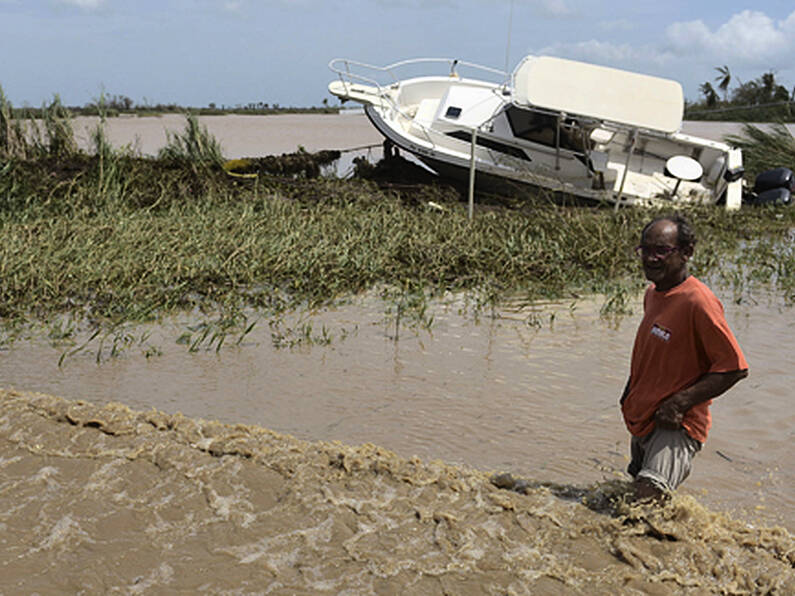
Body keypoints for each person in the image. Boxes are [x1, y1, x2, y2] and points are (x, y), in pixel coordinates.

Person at [620, 214, 748, 501]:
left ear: (687, 252)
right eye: (646, 250)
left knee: (641, 511)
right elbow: (655, 354)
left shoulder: (698, 301)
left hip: (675, 426)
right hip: (645, 418)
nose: (651, 259)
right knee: (631, 506)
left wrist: (679, 403)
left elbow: (734, 368)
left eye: (662, 251)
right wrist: (630, 392)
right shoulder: (653, 294)